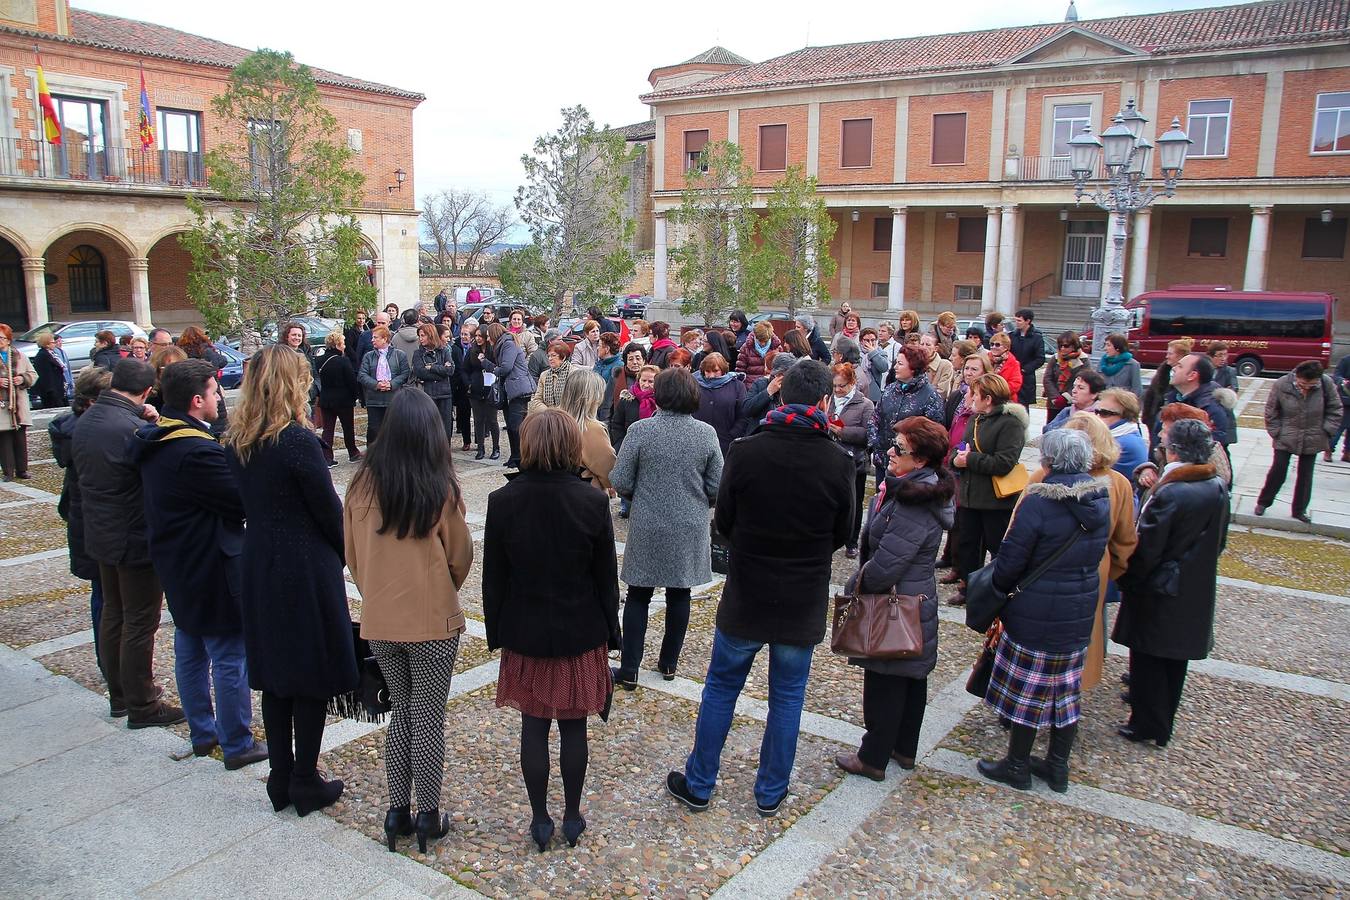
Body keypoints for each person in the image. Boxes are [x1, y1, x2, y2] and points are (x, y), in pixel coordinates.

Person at [667, 360, 853, 817]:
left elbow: (724, 524)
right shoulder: (838, 462)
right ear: (825, 402)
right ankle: (770, 791)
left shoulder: (747, 452)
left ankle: (700, 782)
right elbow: (843, 532)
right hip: (801, 593)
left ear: (780, 397)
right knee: (787, 698)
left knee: (722, 688)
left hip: (749, 588)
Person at [225, 345, 355, 816]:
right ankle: (303, 778)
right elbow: (327, 510)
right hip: (302, 565)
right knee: (310, 674)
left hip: (260, 558)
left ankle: (281, 776)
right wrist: (347, 554)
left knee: (278, 677)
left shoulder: (239, 439)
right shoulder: (296, 440)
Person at [484, 409, 619, 852]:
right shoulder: (592, 501)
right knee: (574, 727)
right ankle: (573, 814)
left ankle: (541, 819)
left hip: (526, 629)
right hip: (579, 630)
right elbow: (605, 578)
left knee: (534, 725)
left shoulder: (504, 501)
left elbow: (494, 577)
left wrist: (497, 631)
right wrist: (612, 635)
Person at [344, 389, 471, 854]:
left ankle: (397, 808)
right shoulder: (438, 486)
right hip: (431, 619)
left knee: (400, 713)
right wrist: (439, 586)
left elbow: (353, 557)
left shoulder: (360, 486)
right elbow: (460, 556)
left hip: (380, 617)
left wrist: (376, 590)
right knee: (428, 718)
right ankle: (427, 814)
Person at [131, 359, 267, 770]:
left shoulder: (158, 438)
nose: (218, 399)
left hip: (177, 562)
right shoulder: (194, 450)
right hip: (210, 565)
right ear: (196, 401)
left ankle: (203, 732)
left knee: (189, 650)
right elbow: (240, 500)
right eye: (213, 392)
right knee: (228, 655)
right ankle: (237, 742)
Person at [977, 429, 1110, 793]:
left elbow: (1011, 561)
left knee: (1028, 691)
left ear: (1050, 461)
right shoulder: (1101, 496)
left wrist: (999, 589)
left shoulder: (1039, 501)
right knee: (1066, 691)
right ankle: (1057, 766)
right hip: (1079, 606)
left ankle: (1018, 765)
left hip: (1035, 607)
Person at [834, 417, 954, 780]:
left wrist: (855, 584)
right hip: (913, 598)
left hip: (898, 602)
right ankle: (903, 748)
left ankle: (873, 758)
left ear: (920, 460)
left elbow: (888, 564)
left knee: (887, 678)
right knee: (910, 676)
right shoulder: (918, 488)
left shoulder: (915, 501)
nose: (889, 451)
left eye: (899, 449)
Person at [73, 359, 181, 726]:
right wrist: (155, 424)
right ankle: (141, 703)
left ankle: (119, 694)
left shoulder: (87, 419)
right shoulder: (130, 428)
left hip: (100, 530)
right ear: (147, 391)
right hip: (132, 535)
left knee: (114, 613)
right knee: (139, 620)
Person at [1114, 418, 1230, 748]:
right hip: (1193, 583)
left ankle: (1147, 724)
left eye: (1164, 441)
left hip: (1160, 586)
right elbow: (1219, 540)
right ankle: (1161, 721)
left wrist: (1130, 578)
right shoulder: (1215, 485)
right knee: (1173, 661)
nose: (1160, 443)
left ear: (1175, 449)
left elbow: (1147, 547)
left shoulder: (1173, 493)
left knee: (1149, 657)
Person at [612, 367, 722, 688]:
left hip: (648, 521)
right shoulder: (706, 434)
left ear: (658, 395)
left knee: (638, 594)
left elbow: (619, 479)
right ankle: (669, 663)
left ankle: (629, 669)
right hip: (689, 523)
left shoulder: (641, 431)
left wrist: (639, 494)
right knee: (680, 593)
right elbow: (717, 484)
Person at [1055, 413, 1138, 695]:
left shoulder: (1045, 476)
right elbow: (1125, 543)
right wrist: (1107, 573)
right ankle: (1069, 702)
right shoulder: (1119, 484)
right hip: (1092, 572)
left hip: (1045, 571)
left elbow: (1015, 532)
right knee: (1084, 635)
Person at [50, 367, 112, 686]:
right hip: (96, 522)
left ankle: (109, 661)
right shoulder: (90, 432)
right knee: (107, 596)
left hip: (85, 519)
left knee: (102, 593)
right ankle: (110, 663)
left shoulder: (75, 429)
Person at [948, 374, 1028, 607]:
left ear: (988, 398)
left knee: (997, 547)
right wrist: (956, 460)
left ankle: (996, 591)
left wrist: (969, 460)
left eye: (974, 394)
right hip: (971, 496)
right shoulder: (975, 419)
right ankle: (968, 587)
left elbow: (1005, 462)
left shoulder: (1010, 423)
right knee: (968, 545)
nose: (969, 398)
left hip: (996, 500)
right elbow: (959, 450)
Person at [1255, 360, 1342, 523]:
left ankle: (1299, 510)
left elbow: (1335, 409)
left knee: (1305, 475)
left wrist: (1327, 431)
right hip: (1286, 434)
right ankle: (1263, 502)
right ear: (1297, 377)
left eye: (1311, 384)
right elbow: (1271, 410)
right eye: (1303, 383)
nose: (1306, 387)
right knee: (1278, 471)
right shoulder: (1282, 384)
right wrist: (1276, 432)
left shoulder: (1326, 384)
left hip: (1313, 435)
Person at [938, 352, 994, 574]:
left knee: (966, 521)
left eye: (974, 369)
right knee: (953, 512)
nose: (968, 373)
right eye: (967, 369)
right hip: (953, 458)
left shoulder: (985, 399)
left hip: (970, 464)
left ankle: (962, 569)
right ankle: (950, 556)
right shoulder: (958, 395)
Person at [868, 346, 944, 485]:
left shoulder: (930, 396)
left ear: (914, 367)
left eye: (900, 364)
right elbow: (875, 418)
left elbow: (933, 434)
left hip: (909, 466)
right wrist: (874, 443)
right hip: (884, 459)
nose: (895, 367)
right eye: (896, 362)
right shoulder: (890, 389)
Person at [828, 363, 876, 559]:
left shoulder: (865, 404)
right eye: (835, 386)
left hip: (854, 461)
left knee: (854, 503)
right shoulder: (830, 400)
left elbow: (868, 434)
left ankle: (852, 541)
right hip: (831, 458)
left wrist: (843, 432)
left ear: (852, 383)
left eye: (842, 386)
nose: (838, 390)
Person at [558, 369, 616, 492]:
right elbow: (608, 472)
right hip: (585, 495)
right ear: (592, 398)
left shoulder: (551, 421)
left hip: (556, 491)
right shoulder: (591, 428)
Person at [487, 322, 533, 469]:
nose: (488, 339)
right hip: (510, 390)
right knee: (511, 425)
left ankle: (521, 457)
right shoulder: (502, 345)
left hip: (518, 390)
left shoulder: (508, 344)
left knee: (516, 426)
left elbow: (506, 367)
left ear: (494, 334)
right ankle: (514, 456)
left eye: (489, 336)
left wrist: (491, 367)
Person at [358, 325, 411, 446]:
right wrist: (376, 384)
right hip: (374, 400)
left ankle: (394, 456)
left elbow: (405, 373)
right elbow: (362, 374)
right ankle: (373, 458)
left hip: (393, 399)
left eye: (375, 337)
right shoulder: (368, 356)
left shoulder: (399, 355)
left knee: (395, 429)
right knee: (374, 430)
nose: (372, 340)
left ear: (385, 339)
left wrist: (392, 384)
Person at [316, 331, 362, 465]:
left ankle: (327, 456)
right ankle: (353, 452)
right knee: (348, 427)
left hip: (326, 399)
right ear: (337, 345)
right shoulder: (343, 361)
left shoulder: (319, 360)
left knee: (328, 429)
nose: (344, 346)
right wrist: (355, 396)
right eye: (342, 343)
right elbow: (351, 381)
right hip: (344, 400)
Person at [0, 324, 37, 480]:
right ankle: (8, 472)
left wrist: (22, 378)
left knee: (20, 438)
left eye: (1, 338)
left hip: (18, 403)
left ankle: (22, 470)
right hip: (2, 404)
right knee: (4, 439)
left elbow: (33, 374)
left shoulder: (20, 356)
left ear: (8, 340)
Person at [693, 352, 747, 455]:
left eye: (715, 371)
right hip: (696, 440)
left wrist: (732, 435)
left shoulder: (737, 386)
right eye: (707, 371)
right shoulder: (693, 384)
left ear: (723, 370)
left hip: (724, 442)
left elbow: (743, 414)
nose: (711, 375)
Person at [411, 323, 457, 443]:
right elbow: (420, 372)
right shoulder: (418, 353)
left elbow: (450, 369)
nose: (421, 338)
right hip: (428, 393)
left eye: (423, 335)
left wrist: (431, 367)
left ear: (430, 335)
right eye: (419, 336)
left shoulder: (444, 350)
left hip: (444, 393)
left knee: (445, 426)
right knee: (429, 426)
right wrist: (441, 370)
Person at [1143, 338, 1192, 449]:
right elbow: (1151, 394)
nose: (1167, 356)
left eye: (1170, 353)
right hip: (1156, 417)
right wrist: (1147, 416)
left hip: (1172, 422)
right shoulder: (1163, 371)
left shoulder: (1185, 378)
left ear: (1180, 356)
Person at [1093, 388, 1148, 479]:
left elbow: (1093, 474)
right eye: (1096, 412)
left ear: (1125, 416)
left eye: (1104, 413)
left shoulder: (1125, 442)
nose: (1097, 417)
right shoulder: (1117, 436)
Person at [464, 326, 500, 460]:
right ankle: (480, 448)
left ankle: (496, 447)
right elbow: (464, 368)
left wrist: (485, 361)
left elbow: (498, 367)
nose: (478, 338)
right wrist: (469, 382)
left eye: (480, 336)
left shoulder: (494, 350)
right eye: (476, 336)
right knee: (478, 420)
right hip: (476, 389)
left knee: (492, 420)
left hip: (490, 389)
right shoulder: (472, 350)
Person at [1044, 369, 1105, 433]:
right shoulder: (1067, 411)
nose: (1074, 391)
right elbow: (1047, 430)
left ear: (1094, 394)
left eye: (1080, 388)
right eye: (1074, 386)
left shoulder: (1100, 415)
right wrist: (1073, 419)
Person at [450, 320, 476, 451]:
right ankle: (466, 440)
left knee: (477, 415)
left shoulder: (475, 349)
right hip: (460, 387)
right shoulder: (455, 349)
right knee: (464, 415)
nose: (464, 337)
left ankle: (479, 440)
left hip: (474, 385)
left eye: (466, 334)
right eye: (462, 334)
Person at [1043, 332, 1084, 417]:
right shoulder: (1055, 358)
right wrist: (1055, 397)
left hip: (1073, 403)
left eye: (1066, 346)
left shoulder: (1083, 360)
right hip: (1053, 403)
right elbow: (1047, 378)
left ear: (1074, 346)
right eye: (1060, 346)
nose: (1062, 348)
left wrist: (1065, 398)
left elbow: (1083, 381)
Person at [1008, 309, 1044, 407]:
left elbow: (1040, 359)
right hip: (1011, 375)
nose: (1016, 323)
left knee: (1023, 406)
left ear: (1028, 321)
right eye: (1016, 320)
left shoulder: (1037, 337)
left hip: (1026, 377)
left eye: (1019, 321)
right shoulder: (1011, 336)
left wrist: (1025, 369)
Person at [530, 340, 574, 413]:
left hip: (568, 416)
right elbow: (537, 400)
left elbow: (574, 400)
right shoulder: (544, 375)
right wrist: (549, 412)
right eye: (548, 356)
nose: (550, 359)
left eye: (553, 355)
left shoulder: (573, 373)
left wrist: (557, 412)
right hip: (547, 417)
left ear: (563, 357)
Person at [33, 331, 69, 409]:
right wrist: (52, 392)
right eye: (53, 342)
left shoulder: (52, 353)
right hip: (51, 392)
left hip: (59, 388)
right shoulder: (42, 356)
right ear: (46, 344)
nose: (55, 344)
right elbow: (46, 376)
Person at [594, 332, 624, 422]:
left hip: (605, 414)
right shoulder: (599, 363)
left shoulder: (618, 367)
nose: (597, 348)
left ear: (607, 349)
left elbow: (611, 397)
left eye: (599, 345)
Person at [987, 333, 1023, 400]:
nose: (993, 347)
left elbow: (1015, 384)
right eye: (992, 344)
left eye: (997, 345)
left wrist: (996, 390)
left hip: (1005, 400)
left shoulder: (1013, 363)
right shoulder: (985, 359)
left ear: (1006, 347)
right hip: (985, 398)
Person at [920, 333, 955, 397]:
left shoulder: (945, 365)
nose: (924, 347)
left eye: (928, 345)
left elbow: (943, 392)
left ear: (935, 348)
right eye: (922, 344)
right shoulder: (914, 363)